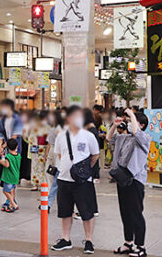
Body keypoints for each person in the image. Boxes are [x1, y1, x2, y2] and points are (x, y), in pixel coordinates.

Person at [52, 106, 100, 254]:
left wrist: (83, 172)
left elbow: (95, 155)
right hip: (64, 179)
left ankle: (89, 240)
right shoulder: (61, 135)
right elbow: (60, 155)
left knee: (87, 212)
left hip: (83, 181)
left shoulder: (88, 136)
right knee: (65, 211)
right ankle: (66, 239)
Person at [108, 109, 151, 257]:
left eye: (133, 121)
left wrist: (131, 114)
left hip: (135, 180)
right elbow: (109, 138)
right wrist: (115, 125)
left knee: (136, 213)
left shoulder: (144, 138)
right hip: (122, 179)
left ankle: (141, 247)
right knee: (125, 212)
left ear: (142, 125)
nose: (129, 122)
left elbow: (137, 132)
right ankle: (128, 243)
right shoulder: (124, 138)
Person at [0, 99, 26, 180]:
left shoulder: (17, 118)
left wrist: (3, 146)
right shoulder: (2, 120)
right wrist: (0, 147)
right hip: (5, 147)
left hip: (14, 147)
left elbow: (15, 135)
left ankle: (12, 187)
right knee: (6, 166)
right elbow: (0, 134)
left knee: (13, 167)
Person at [45, 110, 64, 210]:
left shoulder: (60, 129)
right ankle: (48, 203)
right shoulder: (54, 128)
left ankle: (49, 203)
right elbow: (49, 143)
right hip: (56, 156)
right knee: (53, 179)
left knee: (56, 181)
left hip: (60, 158)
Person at [28, 112, 50, 191]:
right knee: (35, 166)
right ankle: (35, 183)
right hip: (36, 147)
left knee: (43, 166)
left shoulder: (48, 127)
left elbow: (49, 140)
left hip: (44, 147)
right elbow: (30, 137)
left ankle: (43, 183)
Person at [0, 138, 21, 212]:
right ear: (17, 146)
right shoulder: (19, 156)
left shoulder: (8, 156)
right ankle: (11, 206)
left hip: (9, 177)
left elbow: (7, 165)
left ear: (7, 147)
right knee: (12, 191)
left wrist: (1, 161)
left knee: (5, 191)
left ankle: (13, 204)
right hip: (16, 176)